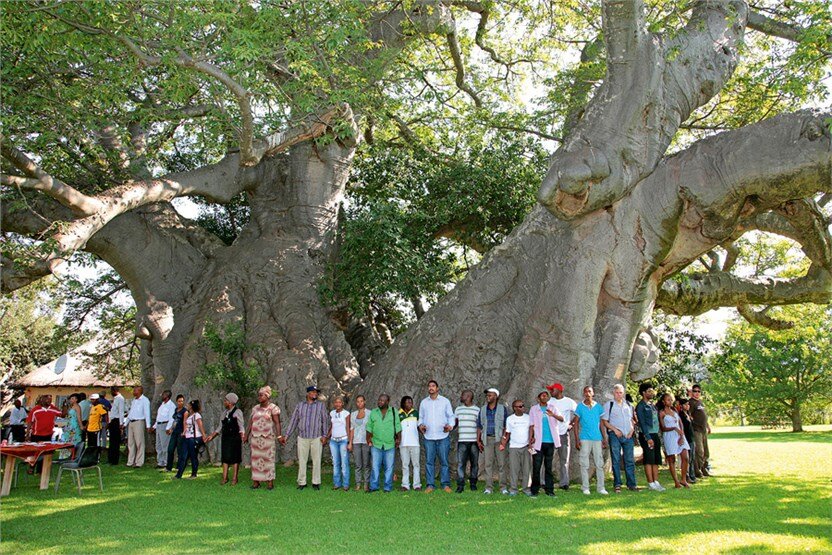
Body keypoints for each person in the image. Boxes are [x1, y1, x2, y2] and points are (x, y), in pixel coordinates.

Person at [282, 385, 328, 490]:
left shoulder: (320, 405)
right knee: (302, 460)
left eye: (316, 392)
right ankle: (302, 482)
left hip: (316, 437)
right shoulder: (300, 406)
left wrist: (325, 435)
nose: (315, 394)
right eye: (313, 392)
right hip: (303, 437)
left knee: (316, 460)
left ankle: (316, 482)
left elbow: (325, 421)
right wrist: (287, 435)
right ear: (308, 393)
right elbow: (294, 421)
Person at [418, 380, 455, 493]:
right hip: (429, 437)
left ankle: (445, 484)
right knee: (429, 462)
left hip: (443, 436)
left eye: (433, 386)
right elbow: (421, 418)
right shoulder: (424, 402)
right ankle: (430, 485)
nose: (431, 388)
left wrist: (450, 426)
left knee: (444, 461)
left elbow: (451, 416)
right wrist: (420, 425)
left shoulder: (445, 401)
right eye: (429, 386)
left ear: (437, 388)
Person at [602, 384, 638, 493]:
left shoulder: (628, 405)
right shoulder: (609, 405)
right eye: (617, 392)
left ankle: (631, 484)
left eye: (621, 392)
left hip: (628, 435)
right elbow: (605, 421)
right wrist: (615, 430)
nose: (619, 395)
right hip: (615, 435)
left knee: (629, 460)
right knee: (616, 459)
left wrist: (631, 430)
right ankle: (617, 484)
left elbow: (632, 420)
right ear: (614, 393)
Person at [572, 386, 608, 495]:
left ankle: (601, 487)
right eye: (586, 392)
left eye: (590, 391)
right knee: (584, 463)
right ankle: (585, 487)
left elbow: (601, 423)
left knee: (599, 463)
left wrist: (604, 438)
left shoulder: (598, 407)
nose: (588, 393)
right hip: (584, 438)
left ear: (593, 393)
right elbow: (576, 423)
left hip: (597, 438)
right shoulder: (580, 407)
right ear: (583, 394)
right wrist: (577, 439)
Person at [246, 386, 282, 490]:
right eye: (259, 395)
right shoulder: (255, 408)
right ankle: (256, 482)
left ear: (267, 396)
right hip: (256, 439)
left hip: (267, 439)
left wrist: (279, 435)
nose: (259, 397)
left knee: (268, 460)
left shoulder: (273, 408)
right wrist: (246, 435)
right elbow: (250, 422)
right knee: (255, 460)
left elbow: (277, 423)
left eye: (261, 395)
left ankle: (270, 482)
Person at [529, 390, 564, 498]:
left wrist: (553, 415)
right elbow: (531, 425)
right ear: (538, 398)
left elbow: (562, 419)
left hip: (550, 442)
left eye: (546, 396)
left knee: (548, 467)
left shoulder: (553, 407)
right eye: (542, 396)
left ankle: (550, 490)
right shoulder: (534, 409)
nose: (544, 397)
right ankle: (534, 490)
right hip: (538, 442)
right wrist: (530, 439)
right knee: (536, 466)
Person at [207, 393, 245, 485]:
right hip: (226, 438)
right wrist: (212, 436)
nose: (224, 402)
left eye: (226, 401)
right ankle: (225, 477)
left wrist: (243, 436)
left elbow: (241, 426)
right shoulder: (224, 413)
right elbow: (220, 427)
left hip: (235, 438)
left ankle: (235, 478)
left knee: (235, 458)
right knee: (225, 457)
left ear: (231, 402)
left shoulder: (238, 412)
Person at [366, 394, 401, 493]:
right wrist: (367, 438)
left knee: (389, 467)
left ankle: (387, 488)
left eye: (382, 400)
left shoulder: (394, 412)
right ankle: (373, 487)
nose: (380, 402)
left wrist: (399, 439)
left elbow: (397, 426)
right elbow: (369, 427)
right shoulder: (374, 412)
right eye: (379, 400)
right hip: (376, 443)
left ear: (387, 402)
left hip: (390, 444)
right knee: (375, 467)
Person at [477, 387, 508, 495]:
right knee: (488, 464)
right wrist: (478, 440)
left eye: (490, 395)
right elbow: (479, 426)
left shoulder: (502, 409)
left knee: (501, 464)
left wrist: (504, 441)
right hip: (487, 439)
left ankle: (503, 487)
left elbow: (505, 426)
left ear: (496, 396)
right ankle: (488, 488)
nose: (488, 397)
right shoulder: (483, 409)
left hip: (499, 439)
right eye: (487, 395)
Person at [546, 383, 577, 490]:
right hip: (551, 434)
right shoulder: (550, 402)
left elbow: (578, 413)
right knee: (547, 458)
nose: (550, 392)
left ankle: (564, 483)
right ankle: (544, 481)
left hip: (563, 434)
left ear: (559, 390)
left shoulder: (569, 402)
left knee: (564, 460)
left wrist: (571, 424)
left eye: (552, 390)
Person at [636, 382, 665, 492]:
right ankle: (650, 482)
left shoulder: (652, 405)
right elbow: (642, 423)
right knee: (649, 458)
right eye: (649, 391)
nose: (651, 393)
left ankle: (656, 481)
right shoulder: (641, 406)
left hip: (655, 433)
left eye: (652, 391)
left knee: (656, 458)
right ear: (643, 393)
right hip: (647, 434)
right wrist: (648, 437)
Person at [500, 399, 532, 496]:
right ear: (514, 408)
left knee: (527, 469)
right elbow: (507, 433)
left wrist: (531, 441)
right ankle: (513, 489)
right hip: (514, 447)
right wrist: (503, 444)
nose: (522, 408)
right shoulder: (510, 419)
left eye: (523, 405)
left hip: (526, 446)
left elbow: (532, 430)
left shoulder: (528, 418)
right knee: (514, 469)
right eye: (520, 406)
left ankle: (526, 489)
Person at [659, 393, 690, 488]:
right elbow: (663, 428)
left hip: (679, 435)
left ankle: (683, 479)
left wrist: (681, 435)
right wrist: (673, 428)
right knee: (671, 459)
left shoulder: (675, 410)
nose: (670, 401)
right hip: (669, 436)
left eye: (671, 399)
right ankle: (676, 482)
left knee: (685, 457)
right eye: (668, 400)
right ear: (664, 401)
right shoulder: (662, 413)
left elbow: (680, 424)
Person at [26, 395, 61, 473]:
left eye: (50, 400)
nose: (49, 401)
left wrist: (65, 405)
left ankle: (40, 470)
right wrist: (27, 434)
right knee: (35, 452)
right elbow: (29, 422)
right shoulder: (35, 410)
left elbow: (62, 414)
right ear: (42, 400)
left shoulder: (52, 408)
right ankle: (31, 467)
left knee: (44, 453)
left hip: (48, 434)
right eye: (48, 400)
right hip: (36, 435)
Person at [454, 390, 480, 493]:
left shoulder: (477, 410)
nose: (461, 396)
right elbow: (455, 423)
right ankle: (460, 485)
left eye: (463, 395)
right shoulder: (458, 409)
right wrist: (449, 428)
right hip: (462, 441)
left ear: (468, 396)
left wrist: (479, 440)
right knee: (461, 464)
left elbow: (479, 426)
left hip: (474, 441)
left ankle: (473, 483)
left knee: (474, 463)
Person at [175, 400, 207, 479]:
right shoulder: (189, 415)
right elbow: (187, 426)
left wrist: (203, 436)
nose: (187, 406)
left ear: (192, 407)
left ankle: (194, 474)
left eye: (189, 405)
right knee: (183, 456)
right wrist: (184, 432)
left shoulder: (197, 415)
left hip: (194, 438)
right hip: (187, 437)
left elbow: (200, 426)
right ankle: (179, 474)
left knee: (193, 456)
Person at [327, 396, 351, 491]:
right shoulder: (332, 413)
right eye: (336, 402)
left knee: (344, 464)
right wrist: (326, 437)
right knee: (335, 463)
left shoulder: (346, 413)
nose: (337, 404)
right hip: (333, 441)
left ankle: (346, 484)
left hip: (343, 440)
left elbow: (348, 427)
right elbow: (332, 426)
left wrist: (349, 442)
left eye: (339, 402)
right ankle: (337, 483)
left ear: (342, 403)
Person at [398, 396, 421, 491]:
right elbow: (397, 429)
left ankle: (417, 485)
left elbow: (419, 426)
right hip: (403, 443)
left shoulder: (415, 413)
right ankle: (405, 485)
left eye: (411, 402)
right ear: (403, 403)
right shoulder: (399, 414)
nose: (410, 404)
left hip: (415, 443)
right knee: (405, 465)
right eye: (408, 402)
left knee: (416, 464)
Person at [125, 386, 151, 468]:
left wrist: (148, 425)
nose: (133, 392)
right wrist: (125, 423)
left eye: (135, 390)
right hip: (131, 422)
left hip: (139, 422)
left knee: (139, 442)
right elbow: (130, 413)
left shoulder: (145, 400)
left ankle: (139, 462)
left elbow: (147, 413)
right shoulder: (134, 401)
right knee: (130, 443)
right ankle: (130, 461)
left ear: (139, 391)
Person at [689, 384, 711, 477]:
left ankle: (704, 469)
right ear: (692, 392)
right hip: (696, 430)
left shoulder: (700, 402)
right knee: (699, 451)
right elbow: (688, 415)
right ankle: (697, 471)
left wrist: (708, 426)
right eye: (695, 391)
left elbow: (704, 416)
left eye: (699, 391)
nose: (697, 393)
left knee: (706, 451)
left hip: (703, 430)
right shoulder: (691, 402)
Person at [350, 395, 371, 491]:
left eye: (361, 401)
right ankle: (358, 483)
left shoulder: (370, 413)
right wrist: (350, 442)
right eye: (358, 401)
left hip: (366, 441)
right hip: (356, 442)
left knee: (366, 464)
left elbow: (372, 428)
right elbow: (352, 429)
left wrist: (371, 440)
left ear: (365, 402)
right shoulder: (353, 414)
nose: (359, 403)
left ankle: (366, 484)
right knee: (358, 464)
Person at [152, 390, 176, 469]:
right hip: (159, 425)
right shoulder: (162, 405)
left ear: (167, 396)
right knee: (158, 445)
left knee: (165, 445)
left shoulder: (171, 406)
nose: (162, 396)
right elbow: (159, 417)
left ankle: (166, 462)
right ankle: (160, 462)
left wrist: (168, 428)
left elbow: (172, 418)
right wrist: (154, 426)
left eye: (163, 395)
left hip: (165, 425)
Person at [164, 394, 187, 472]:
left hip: (181, 432)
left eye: (182, 401)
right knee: (170, 449)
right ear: (177, 401)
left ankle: (179, 466)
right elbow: (175, 421)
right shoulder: (176, 410)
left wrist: (184, 432)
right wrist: (171, 429)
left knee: (180, 450)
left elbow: (185, 422)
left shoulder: (185, 411)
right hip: (174, 432)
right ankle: (168, 467)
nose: (181, 403)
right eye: (179, 401)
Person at [678, 397, 697, 483]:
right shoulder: (681, 415)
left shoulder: (688, 414)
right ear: (681, 406)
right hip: (686, 438)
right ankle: (686, 476)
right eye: (685, 404)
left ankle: (692, 475)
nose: (687, 406)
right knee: (687, 458)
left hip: (692, 438)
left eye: (688, 404)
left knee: (692, 458)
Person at [108, 386, 126, 465]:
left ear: (115, 390)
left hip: (117, 420)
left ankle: (115, 460)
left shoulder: (120, 399)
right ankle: (110, 458)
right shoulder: (115, 399)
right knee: (111, 441)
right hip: (112, 420)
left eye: (111, 391)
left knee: (115, 441)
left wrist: (121, 423)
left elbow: (121, 411)